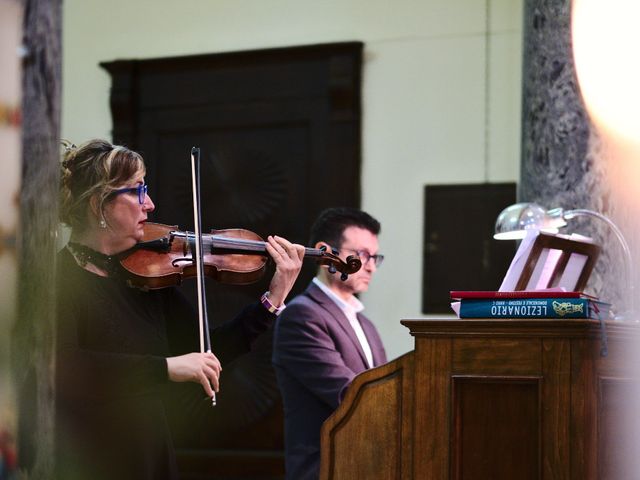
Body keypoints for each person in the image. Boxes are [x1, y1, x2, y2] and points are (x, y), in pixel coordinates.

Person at [55, 139, 305, 480]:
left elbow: (206, 352)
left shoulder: (142, 279)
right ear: (99, 204)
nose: (151, 204)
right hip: (90, 456)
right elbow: (67, 367)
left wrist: (273, 299)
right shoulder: (58, 280)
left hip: (148, 454)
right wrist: (166, 368)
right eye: (137, 191)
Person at [272, 207, 388, 480]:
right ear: (326, 253)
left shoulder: (365, 324)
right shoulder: (301, 316)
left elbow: (383, 386)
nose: (370, 265)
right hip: (325, 468)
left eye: (375, 257)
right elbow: (350, 394)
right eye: (361, 254)